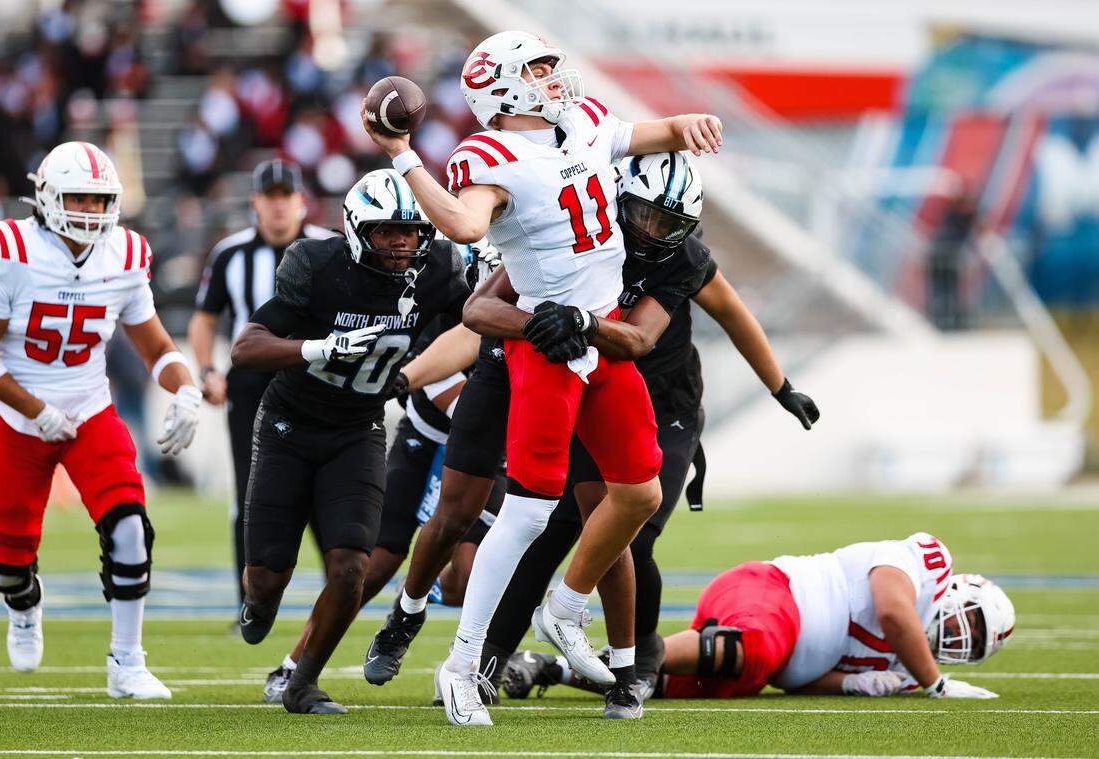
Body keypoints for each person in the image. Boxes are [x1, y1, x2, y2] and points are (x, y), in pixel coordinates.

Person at [363, 29, 725, 727]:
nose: (554, 77)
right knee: (529, 510)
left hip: (601, 332)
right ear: (501, 85)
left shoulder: (583, 122)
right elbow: (468, 227)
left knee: (639, 490)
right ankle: (461, 663)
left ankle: (563, 606)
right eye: (538, 68)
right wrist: (404, 157)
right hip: (548, 342)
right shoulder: (488, 154)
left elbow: (654, 130)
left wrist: (690, 125)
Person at [466, 150, 818, 717]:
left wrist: (780, 387)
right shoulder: (579, 227)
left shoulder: (682, 259)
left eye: (670, 224)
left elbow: (693, 323)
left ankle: (636, 665)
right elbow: (483, 308)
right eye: (646, 216)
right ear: (617, 202)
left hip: (663, 400)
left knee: (634, 531)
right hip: (585, 390)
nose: (654, 233)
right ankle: (488, 658)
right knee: (550, 524)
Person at [0, 141, 202, 698]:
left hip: (90, 409)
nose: (91, 212)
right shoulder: (12, 250)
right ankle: (24, 605)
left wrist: (185, 389)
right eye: (79, 199)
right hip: (18, 420)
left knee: (130, 529)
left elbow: (156, 347)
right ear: (46, 198)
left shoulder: (124, 255)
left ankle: (127, 663)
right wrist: (35, 410)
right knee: (6, 565)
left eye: (100, 200)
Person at [229, 168, 472, 716]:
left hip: (358, 429)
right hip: (290, 425)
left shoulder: (436, 270)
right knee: (267, 576)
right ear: (359, 228)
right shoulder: (317, 265)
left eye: (410, 231)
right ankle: (257, 603)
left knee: (350, 566)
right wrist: (315, 348)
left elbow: (473, 323)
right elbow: (247, 348)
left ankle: (303, 683)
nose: (401, 242)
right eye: (387, 231)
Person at [260, 239, 504, 705]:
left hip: (487, 450)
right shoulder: (446, 303)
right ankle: (292, 665)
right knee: (372, 563)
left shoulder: (523, 305)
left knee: (463, 576)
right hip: (429, 434)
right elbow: (425, 379)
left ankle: (451, 643)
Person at [503, 535, 1013, 702]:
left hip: (761, 658)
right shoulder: (926, 565)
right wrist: (936, 683)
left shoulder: (905, 667)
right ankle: (609, 646)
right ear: (962, 589)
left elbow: (800, 681)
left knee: (671, 690)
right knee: (759, 650)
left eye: (966, 642)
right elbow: (891, 609)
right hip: (768, 594)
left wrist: (848, 686)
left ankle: (549, 668)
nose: (953, 635)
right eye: (962, 622)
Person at [186, 159, 334, 613]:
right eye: (269, 198)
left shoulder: (329, 248)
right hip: (251, 384)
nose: (277, 207)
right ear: (255, 203)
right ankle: (248, 600)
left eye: (284, 197)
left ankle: (340, 598)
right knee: (251, 491)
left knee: (325, 487)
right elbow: (205, 318)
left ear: (301, 201)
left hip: (316, 379)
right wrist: (207, 370)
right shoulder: (230, 254)